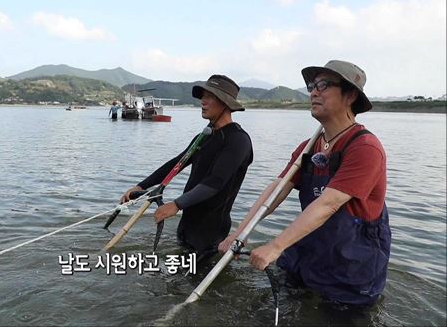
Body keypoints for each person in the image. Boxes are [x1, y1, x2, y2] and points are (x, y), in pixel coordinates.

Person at [218, 60, 390, 305]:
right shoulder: (308, 148)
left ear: (350, 95)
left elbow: (328, 204)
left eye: (324, 85)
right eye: (311, 86)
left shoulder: (365, 148)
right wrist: (239, 233)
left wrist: (275, 246)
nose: (313, 92)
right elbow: (276, 190)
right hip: (309, 252)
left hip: (352, 264)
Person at [121, 75, 253, 259]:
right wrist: (141, 186)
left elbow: (215, 182)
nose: (203, 102)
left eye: (210, 97)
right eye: (203, 97)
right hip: (187, 225)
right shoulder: (205, 136)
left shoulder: (238, 140)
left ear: (225, 103)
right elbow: (176, 163)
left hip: (211, 233)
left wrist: (176, 204)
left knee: (193, 281)